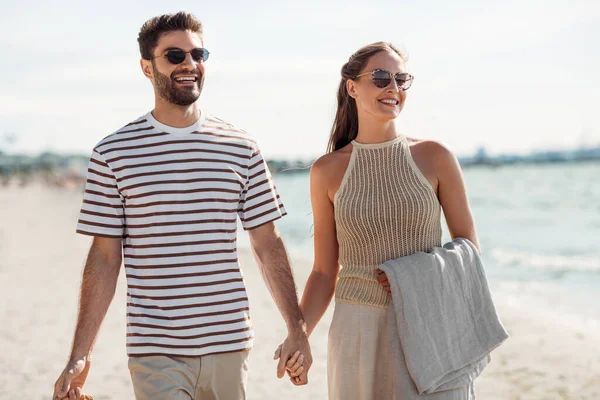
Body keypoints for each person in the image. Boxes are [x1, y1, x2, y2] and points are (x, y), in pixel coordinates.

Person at [52, 11, 311, 400]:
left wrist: (297, 329)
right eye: (175, 55)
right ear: (146, 67)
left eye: (198, 54)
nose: (190, 64)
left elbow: (267, 243)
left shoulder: (241, 148)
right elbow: (105, 258)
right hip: (155, 351)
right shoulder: (113, 154)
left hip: (230, 343)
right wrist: (80, 355)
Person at [280, 42, 481, 398]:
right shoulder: (327, 171)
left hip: (430, 326)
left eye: (401, 79)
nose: (394, 87)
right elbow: (325, 272)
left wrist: (413, 273)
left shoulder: (435, 157)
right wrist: (299, 334)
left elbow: (469, 250)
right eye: (381, 77)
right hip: (359, 330)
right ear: (352, 87)